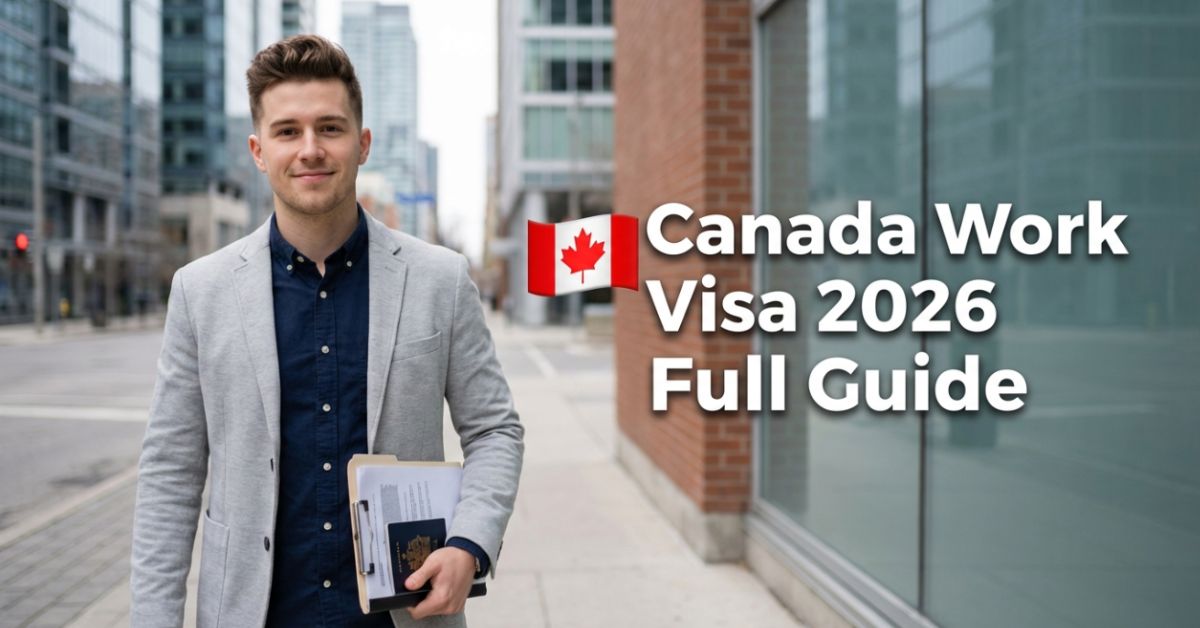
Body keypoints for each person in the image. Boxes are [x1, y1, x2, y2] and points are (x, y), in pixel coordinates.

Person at [130, 35, 524, 628]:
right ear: (259, 151)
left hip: (406, 615)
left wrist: (470, 545)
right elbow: (170, 474)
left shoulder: (439, 279)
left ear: (362, 144)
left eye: (330, 128)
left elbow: (495, 429)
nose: (310, 149)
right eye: (288, 131)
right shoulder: (199, 290)